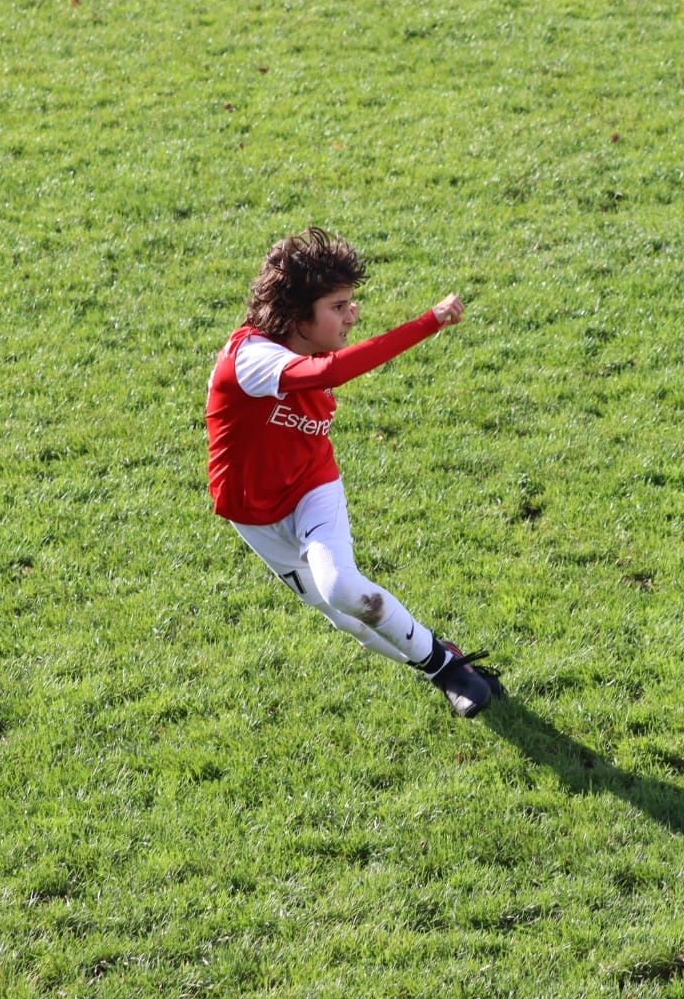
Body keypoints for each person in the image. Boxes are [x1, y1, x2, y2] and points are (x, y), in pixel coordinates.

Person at [206, 227, 503, 715]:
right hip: (253, 515)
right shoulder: (252, 361)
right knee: (350, 621)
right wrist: (429, 321)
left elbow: (328, 368)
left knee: (341, 587)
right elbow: (332, 372)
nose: (353, 314)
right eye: (339, 306)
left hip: (313, 488)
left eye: (350, 303)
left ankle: (446, 670)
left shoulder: (301, 344)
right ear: (298, 318)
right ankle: (445, 658)